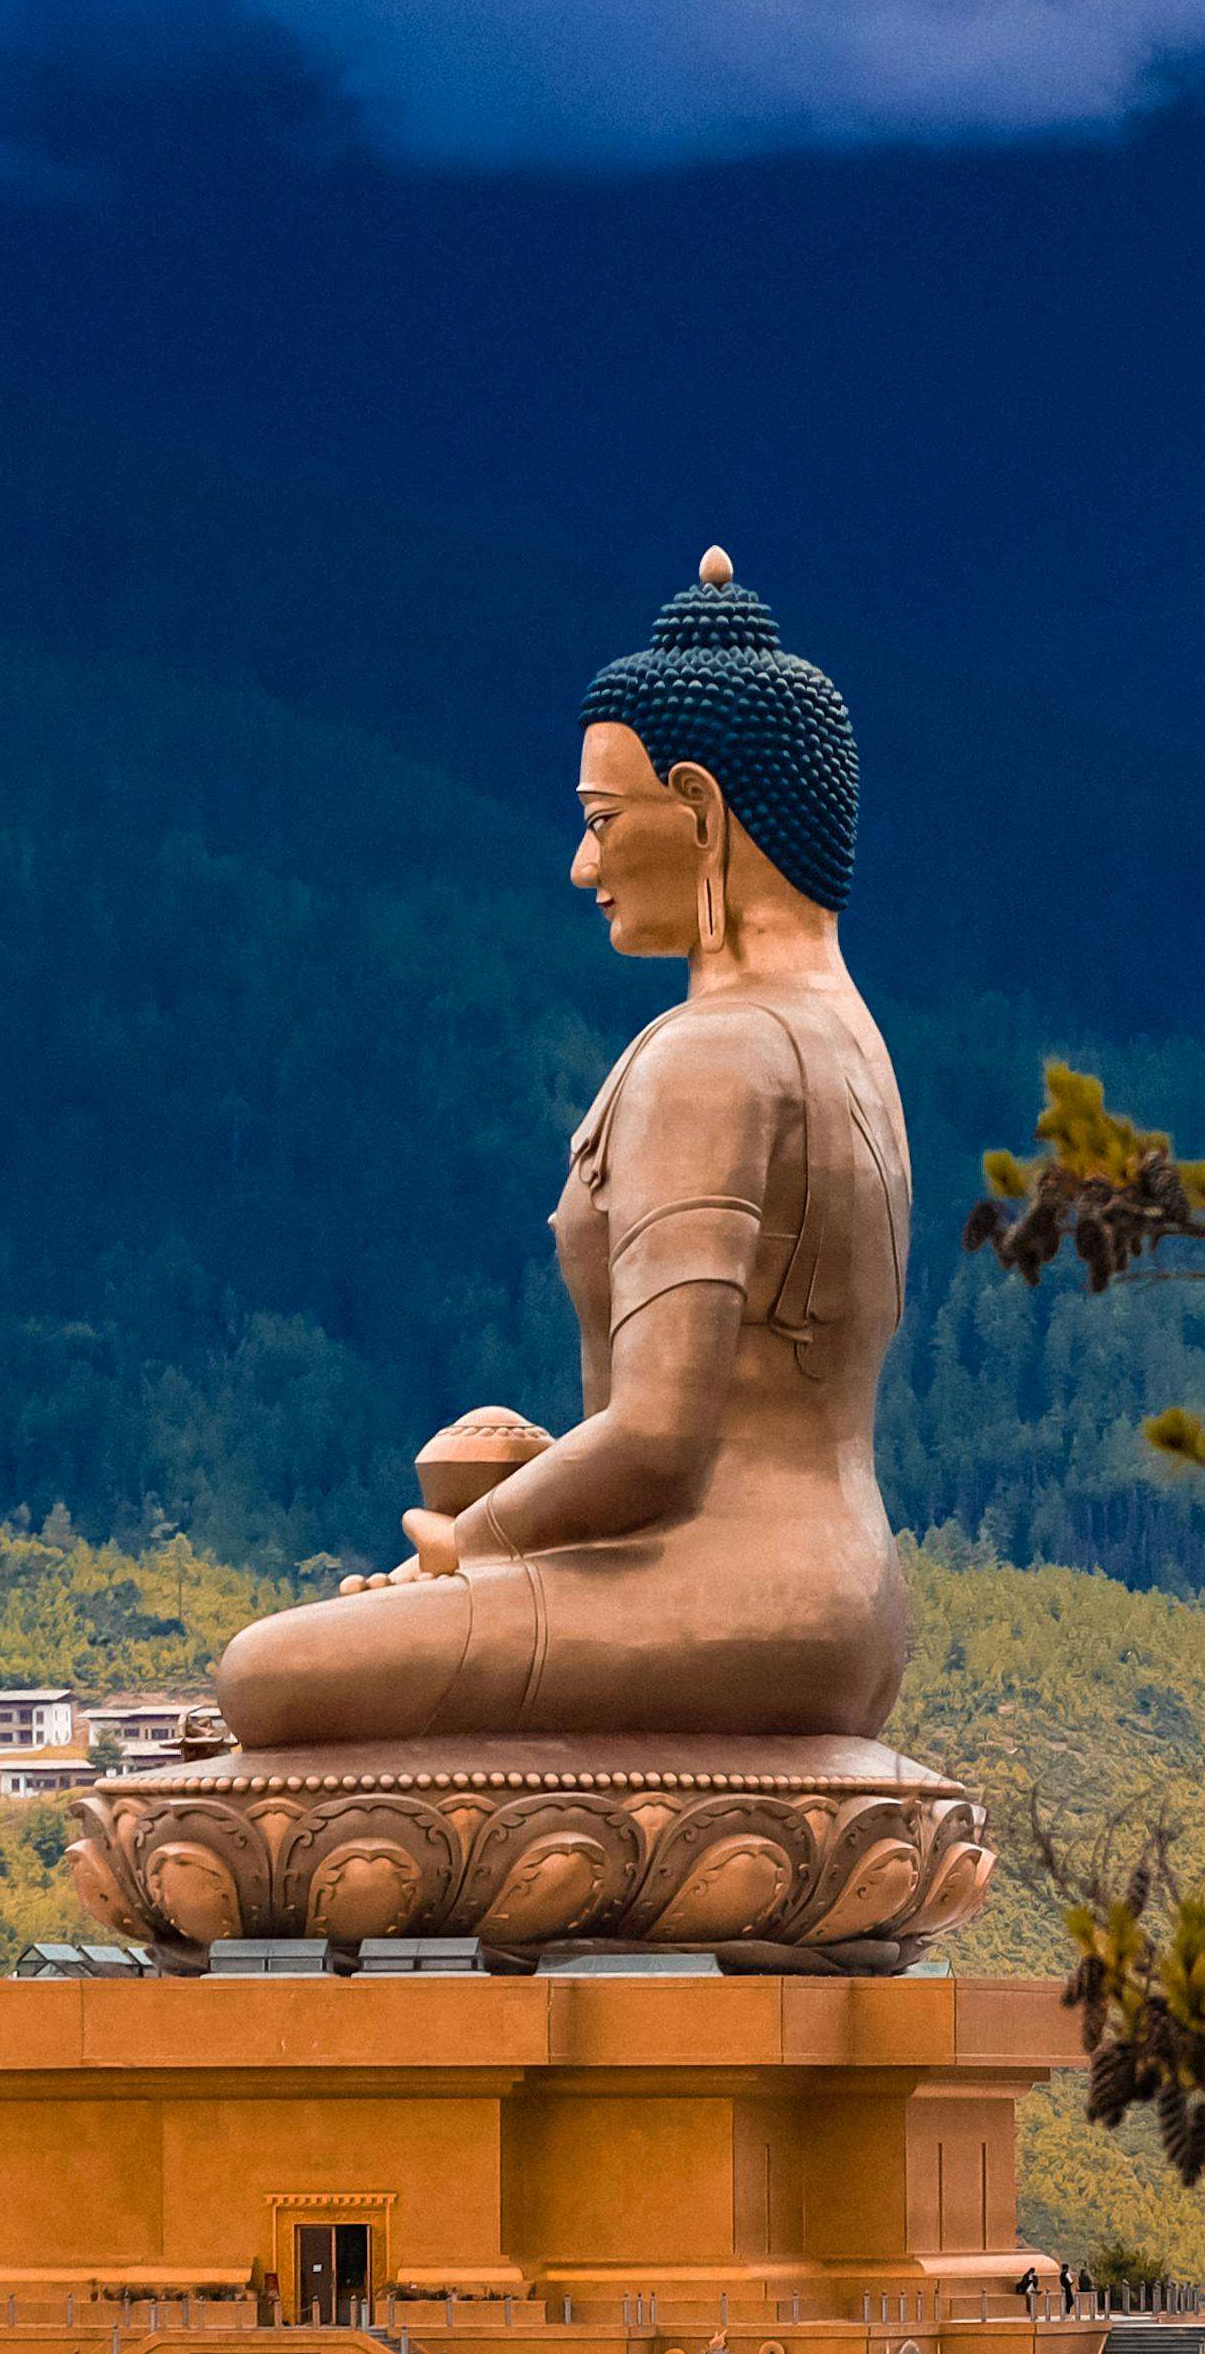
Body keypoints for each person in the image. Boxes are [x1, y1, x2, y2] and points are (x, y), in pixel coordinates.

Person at [210, 554, 912, 1746]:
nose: (582, 866)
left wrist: (459, 1550)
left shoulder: (718, 1051)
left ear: (699, 809)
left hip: (730, 1590)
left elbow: (653, 1442)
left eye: (601, 823)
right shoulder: (849, 1038)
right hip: (843, 1601)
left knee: (265, 1675)